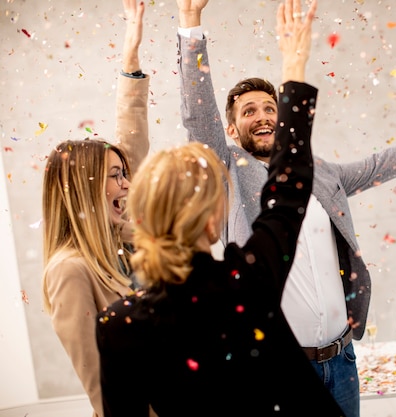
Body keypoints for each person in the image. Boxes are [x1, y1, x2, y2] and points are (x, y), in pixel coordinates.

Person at [176, 1, 396, 415]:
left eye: (271, 108)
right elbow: (199, 118)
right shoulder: (227, 169)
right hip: (274, 369)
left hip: (342, 364)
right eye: (249, 112)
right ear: (231, 129)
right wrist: (191, 25)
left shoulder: (317, 173)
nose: (264, 117)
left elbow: (380, 165)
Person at [96, 1, 346, 415]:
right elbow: (288, 192)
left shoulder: (119, 326)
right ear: (212, 218)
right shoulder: (246, 283)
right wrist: (294, 66)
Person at [41, 1, 150, 416]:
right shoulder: (69, 270)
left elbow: (132, 140)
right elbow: (99, 384)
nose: (126, 184)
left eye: (125, 174)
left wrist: (130, 59)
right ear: (83, 190)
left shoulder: (123, 241)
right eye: (115, 176)